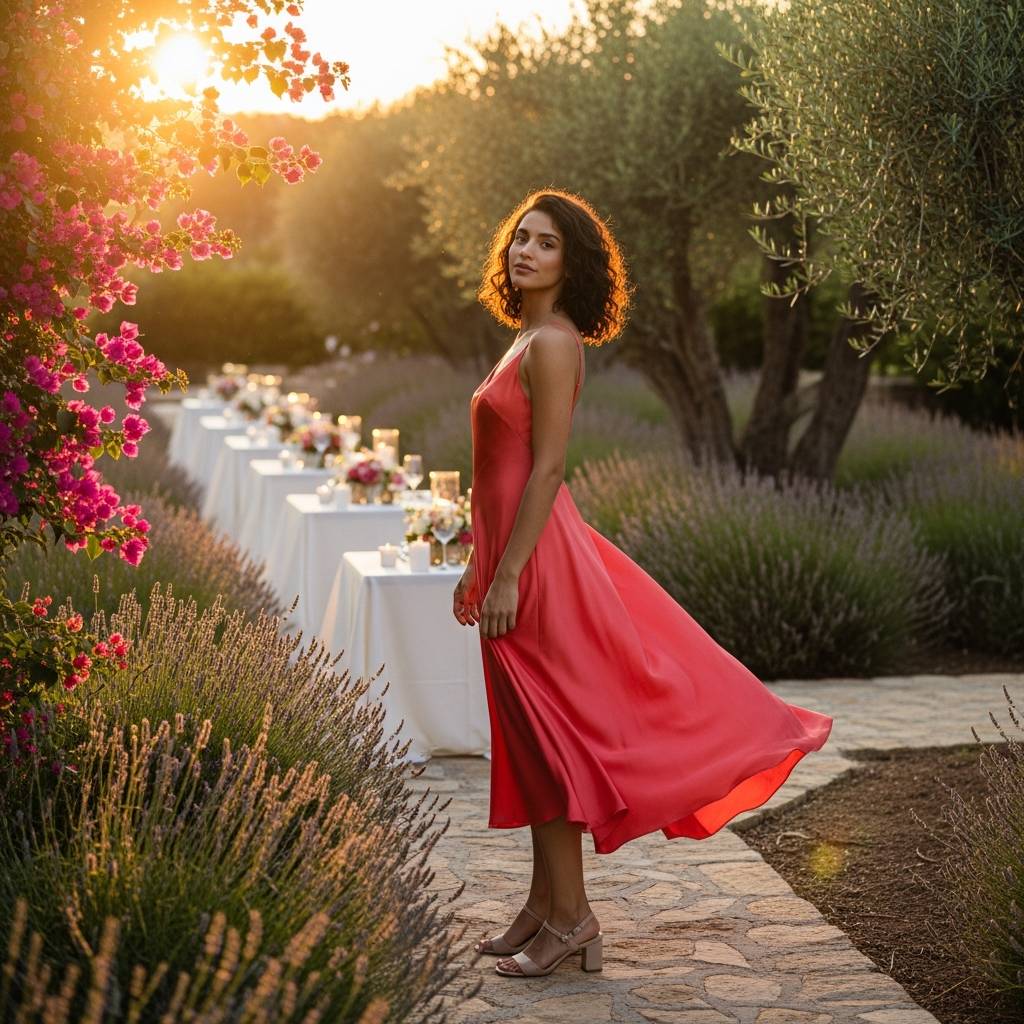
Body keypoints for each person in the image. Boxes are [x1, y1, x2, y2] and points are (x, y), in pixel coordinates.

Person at [452, 189, 833, 979]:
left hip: (540, 566)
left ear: (572, 263)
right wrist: (475, 558)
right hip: (512, 557)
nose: (525, 251)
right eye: (520, 238)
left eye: (546, 243)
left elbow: (549, 468)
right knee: (531, 743)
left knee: (551, 744)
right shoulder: (524, 338)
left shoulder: (553, 344)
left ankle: (572, 920)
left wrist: (510, 572)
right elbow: (500, 467)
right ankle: (542, 906)